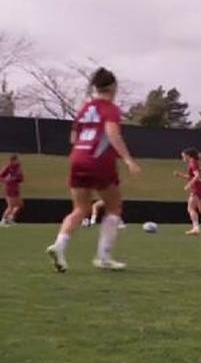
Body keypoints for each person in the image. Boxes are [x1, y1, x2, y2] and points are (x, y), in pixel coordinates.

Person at [45, 67, 141, 272]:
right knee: (114, 207)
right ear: (113, 87)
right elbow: (113, 133)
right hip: (99, 160)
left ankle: (59, 246)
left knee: (80, 208)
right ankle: (104, 257)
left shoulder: (84, 109)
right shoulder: (110, 108)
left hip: (78, 158)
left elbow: (73, 138)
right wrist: (127, 159)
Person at [174, 148, 201, 236]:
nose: (182, 158)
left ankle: (196, 228)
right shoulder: (195, 163)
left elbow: (197, 176)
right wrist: (180, 175)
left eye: (183, 156)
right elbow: (193, 176)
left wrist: (189, 185)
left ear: (188, 155)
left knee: (190, 208)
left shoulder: (192, 163)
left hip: (197, 189)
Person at [1, 154, 24, 225]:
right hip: (9, 188)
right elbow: (1, 176)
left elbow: (21, 178)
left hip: (16, 188)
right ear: (13, 160)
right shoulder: (8, 167)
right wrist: (6, 180)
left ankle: (10, 218)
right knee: (10, 206)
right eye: (17, 160)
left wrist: (19, 178)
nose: (19, 161)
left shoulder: (18, 168)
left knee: (20, 204)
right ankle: (3, 220)